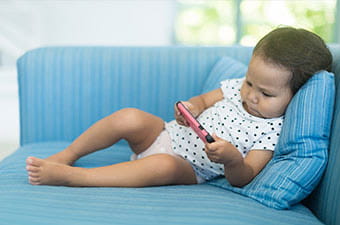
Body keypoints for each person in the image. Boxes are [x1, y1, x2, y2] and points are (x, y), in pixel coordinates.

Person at [25, 27, 332, 188]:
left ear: (296, 95)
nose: (251, 95)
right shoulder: (238, 87)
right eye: (250, 83)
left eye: (265, 93)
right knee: (130, 116)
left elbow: (245, 175)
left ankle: (75, 178)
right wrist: (190, 107)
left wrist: (232, 160)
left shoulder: (271, 131)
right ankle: (69, 155)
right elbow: (203, 101)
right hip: (163, 134)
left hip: (190, 167)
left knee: (164, 166)